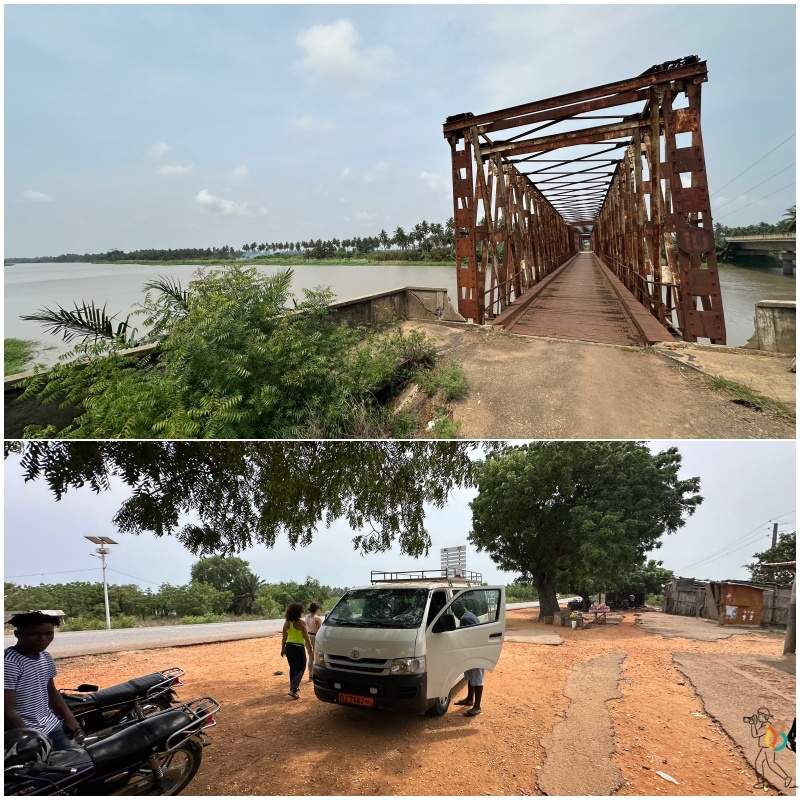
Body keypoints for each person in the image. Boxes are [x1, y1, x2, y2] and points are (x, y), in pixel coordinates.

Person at [4, 611, 81, 749]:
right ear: (17, 634)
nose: (43, 639)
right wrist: (31, 740)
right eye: (35, 634)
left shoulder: (45, 657)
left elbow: (51, 690)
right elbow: (7, 711)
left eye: (49, 633)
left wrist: (69, 717)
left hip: (51, 724)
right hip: (29, 733)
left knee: (78, 760)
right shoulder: (9, 663)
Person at [452, 600, 484, 717]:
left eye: (455, 612)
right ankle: (470, 699)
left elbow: (466, 638)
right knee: (471, 676)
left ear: (459, 610)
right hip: (472, 651)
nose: (455, 615)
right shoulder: (469, 615)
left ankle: (477, 706)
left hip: (475, 652)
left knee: (477, 679)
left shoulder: (465, 619)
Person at [280, 603, 313, 699]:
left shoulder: (286, 623)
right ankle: (294, 688)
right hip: (298, 648)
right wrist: (310, 648)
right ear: (298, 612)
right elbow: (306, 638)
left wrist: (282, 649)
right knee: (301, 668)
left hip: (288, 648)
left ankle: (293, 689)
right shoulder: (301, 623)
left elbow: (284, 638)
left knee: (293, 669)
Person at [305, 603, 324, 681]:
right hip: (315, 637)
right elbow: (321, 630)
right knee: (317, 657)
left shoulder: (306, 617)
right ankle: (315, 675)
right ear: (316, 609)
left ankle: (310, 675)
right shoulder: (317, 618)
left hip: (308, 637)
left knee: (310, 657)